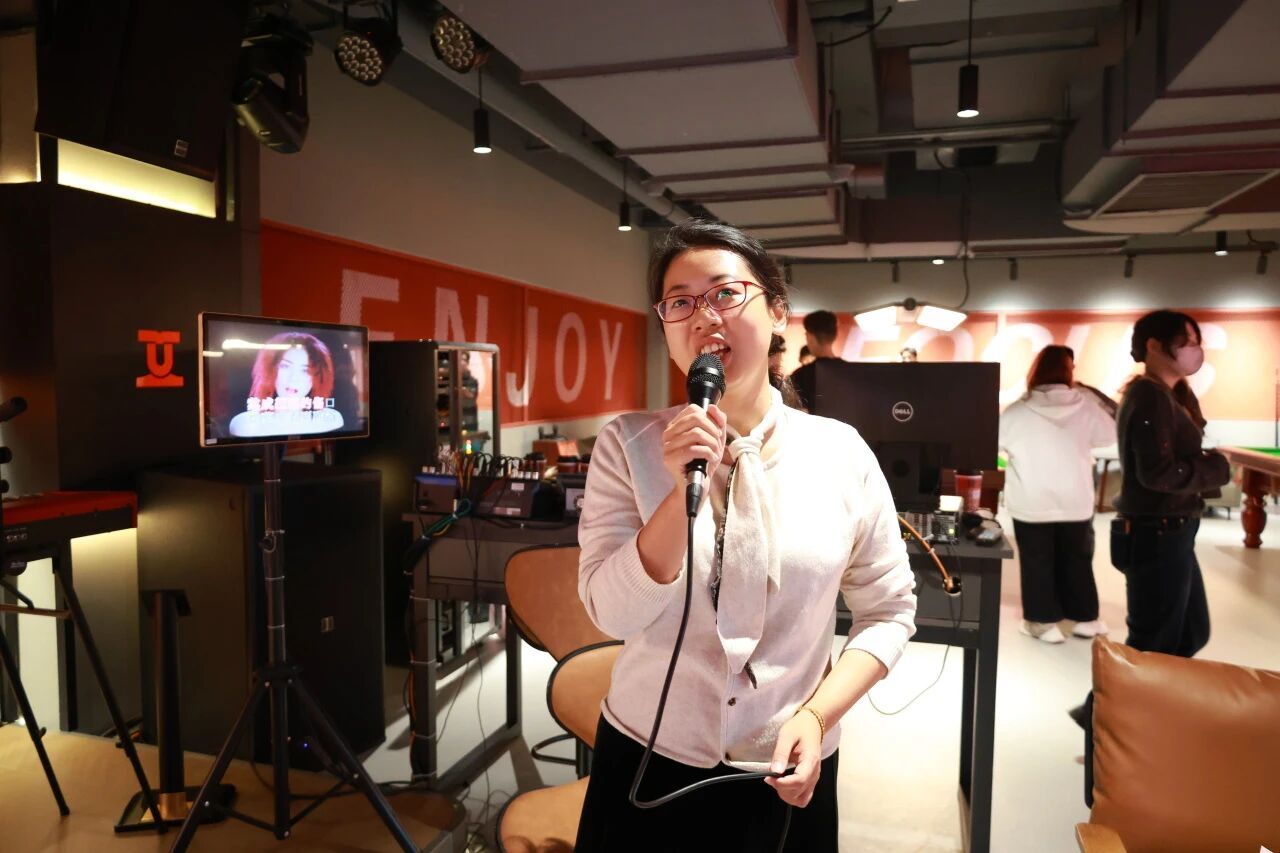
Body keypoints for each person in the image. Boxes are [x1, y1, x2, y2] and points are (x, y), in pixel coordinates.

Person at [575, 220, 917, 852]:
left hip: (787, 765)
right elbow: (611, 613)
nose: (704, 316)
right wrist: (680, 491)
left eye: (726, 293)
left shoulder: (840, 453)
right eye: (680, 302)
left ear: (777, 312)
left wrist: (818, 716)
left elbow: (889, 610)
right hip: (646, 755)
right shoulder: (628, 445)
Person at [1114, 310, 1229, 657]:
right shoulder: (1150, 395)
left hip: (1171, 530)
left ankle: (1158, 688)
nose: (1195, 349)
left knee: (1190, 632)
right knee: (1154, 643)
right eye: (1187, 341)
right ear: (1154, 345)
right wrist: (1216, 468)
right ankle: (1114, 695)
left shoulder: (1168, 394)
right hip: (1157, 532)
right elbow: (1157, 473)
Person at [998, 345, 1115, 644]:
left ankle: (1042, 622)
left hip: (1031, 500)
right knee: (1078, 561)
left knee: (1037, 562)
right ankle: (1086, 619)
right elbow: (1110, 434)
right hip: (1076, 500)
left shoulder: (1017, 411)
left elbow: (995, 442)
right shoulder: (1086, 406)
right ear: (1069, 371)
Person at [229, 332, 344, 437]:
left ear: (319, 376)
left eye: (305, 370)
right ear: (270, 369)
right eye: (285, 366)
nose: (293, 378)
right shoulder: (244, 424)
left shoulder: (330, 420)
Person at [788, 310, 841, 411]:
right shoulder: (853, 373)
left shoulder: (800, 376)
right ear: (834, 336)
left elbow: (797, 412)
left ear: (810, 337)